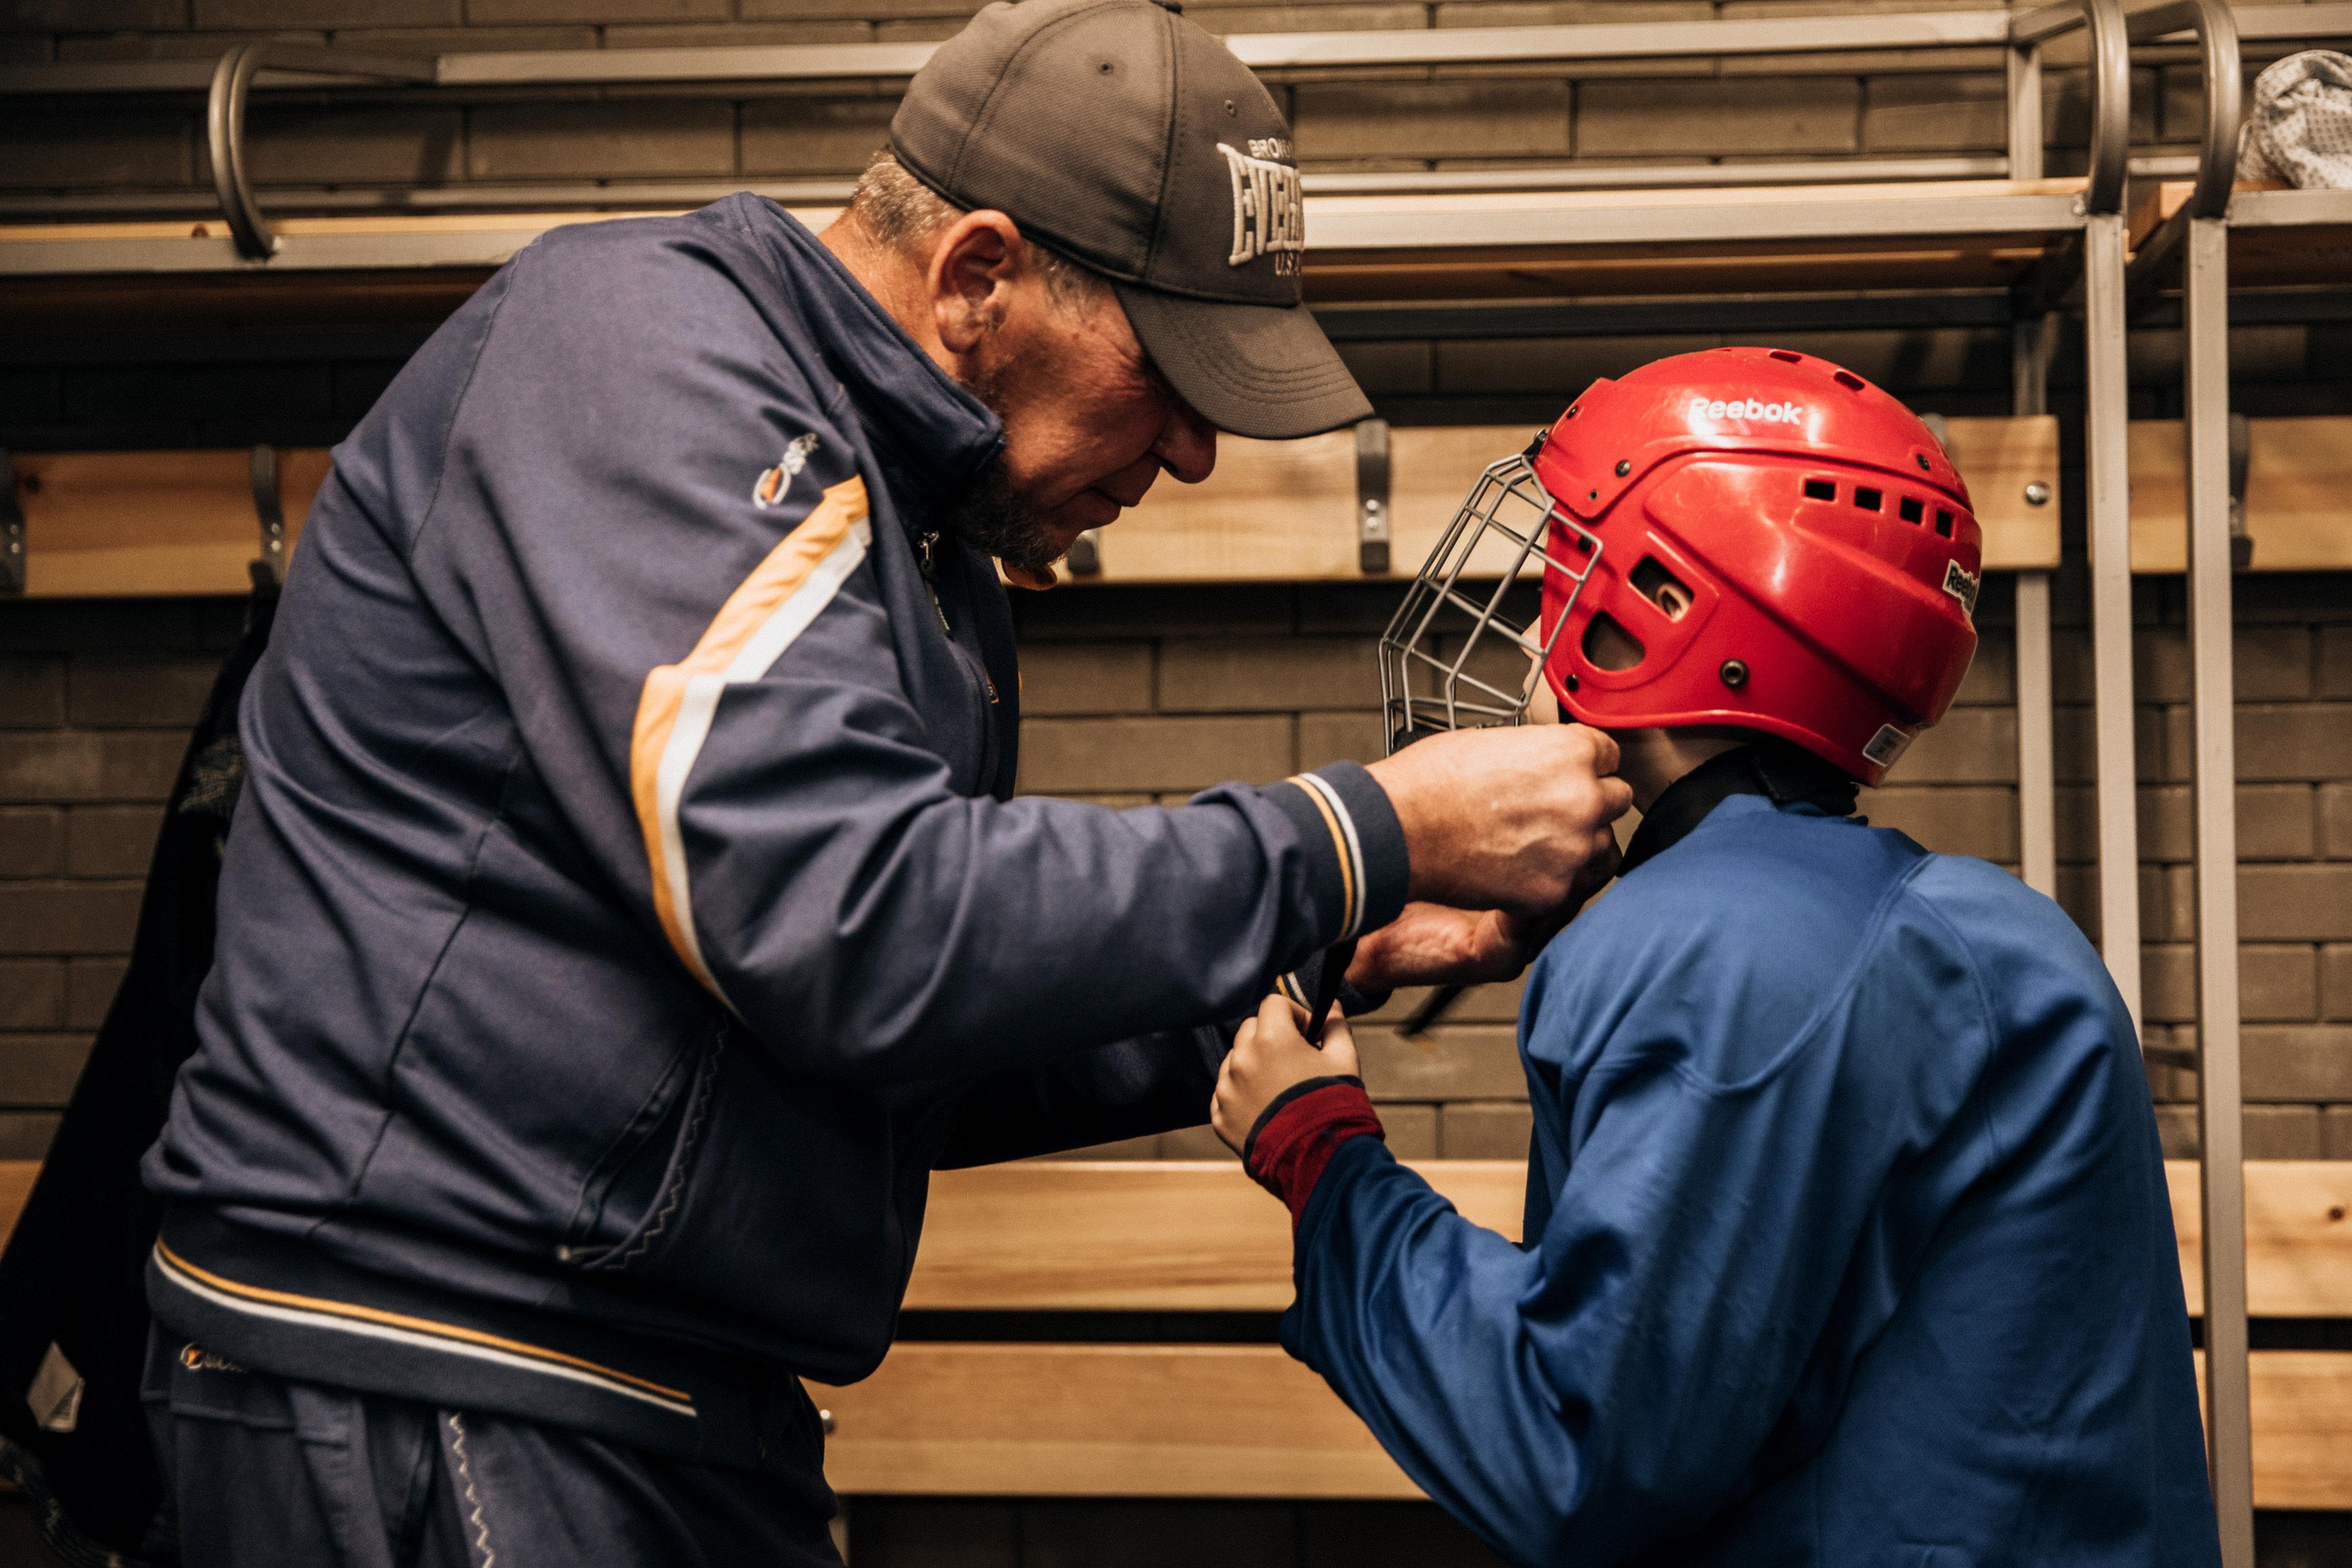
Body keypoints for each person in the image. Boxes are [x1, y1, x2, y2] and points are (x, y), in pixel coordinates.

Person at [134, 3, 1630, 1562]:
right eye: (1170, 372)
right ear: (980, 276)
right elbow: (855, 925)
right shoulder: (645, 357)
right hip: (439, 1361)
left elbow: (902, 1038)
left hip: (643, 1391)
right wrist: (1366, 831)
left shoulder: (923, 535)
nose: (1191, 452)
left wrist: (1316, 944)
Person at [1213, 348, 2222, 1567]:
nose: (1537, 615)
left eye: (1568, 564)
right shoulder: (1957, 924)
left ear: (1669, 605)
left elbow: (1574, 1450)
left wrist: (1321, 1157)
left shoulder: (1718, 947)